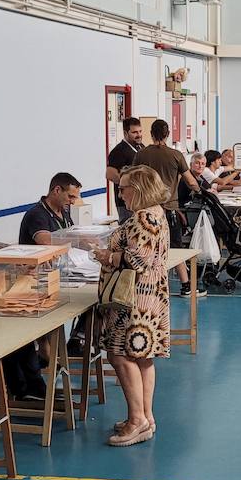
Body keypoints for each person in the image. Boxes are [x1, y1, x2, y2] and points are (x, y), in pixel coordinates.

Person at [97, 166, 172, 447]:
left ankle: (136, 420)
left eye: (124, 188)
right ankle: (145, 416)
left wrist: (105, 255)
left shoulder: (143, 217)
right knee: (142, 356)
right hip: (149, 295)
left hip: (135, 299)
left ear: (138, 190)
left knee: (120, 354)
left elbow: (137, 259)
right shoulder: (155, 212)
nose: (120, 193)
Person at [136, 120, 202, 295]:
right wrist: (200, 190)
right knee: (174, 246)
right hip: (169, 209)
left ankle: (148, 284)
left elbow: (132, 178)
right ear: (167, 135)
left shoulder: (141, 155)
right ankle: (186, 285)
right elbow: (190, 180)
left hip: (146, 209)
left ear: (151, 133)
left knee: (147, 247)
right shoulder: (175, 155)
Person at [20, 172, 80, 245]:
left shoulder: (64, 209)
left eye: (75, 198)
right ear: (57, 190)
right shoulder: (36, 214)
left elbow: (72, 233)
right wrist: (77, 238)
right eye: (70, 197)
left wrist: (90, 245)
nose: (73, 202)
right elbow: (45, 241)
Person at [106, 117, 145, 223]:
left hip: (140, 200)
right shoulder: (119, 151)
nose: (139, 135)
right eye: (134, 132)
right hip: (126, 203)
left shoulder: (140, 147)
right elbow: (109, 174)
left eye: (140, 131)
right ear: (125, 133)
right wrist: (129, 185)